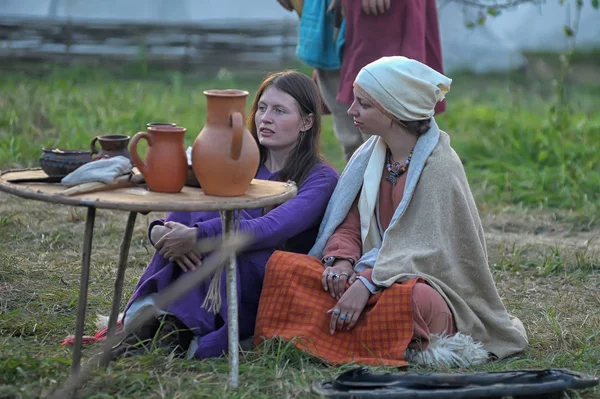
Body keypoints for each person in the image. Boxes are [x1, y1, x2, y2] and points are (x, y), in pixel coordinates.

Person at [254, 57, 528, 368]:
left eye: (364, 105)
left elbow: (428, 251)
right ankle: (362, 337)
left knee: (414, 301)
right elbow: (349, 221)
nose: (351, 111)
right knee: (286, 268)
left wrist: (368, 283)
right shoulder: (369, 154)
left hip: (419, 282)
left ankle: (336, 337)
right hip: (362, 271)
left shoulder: (439, 165)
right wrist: (341, 260)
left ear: (394, 111)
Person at [112, 70, 339, 360]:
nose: (265, 118)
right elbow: (194, 206)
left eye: (280, 110)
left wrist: (198, 237)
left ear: (307, 122)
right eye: (262, 107)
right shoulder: (241, 161)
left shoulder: (320, 178)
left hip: (270, 275)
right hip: (219, 261)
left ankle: (176, 331)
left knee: (227, 248)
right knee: (199, 239)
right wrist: (160, 231)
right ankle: (158, 328)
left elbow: (271, 227)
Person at [283, 0, 445, 161]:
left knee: (387, 114)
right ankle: (360, 181)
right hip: (330, 11)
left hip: (381, 14)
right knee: (350, 132)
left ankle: (396, 180)